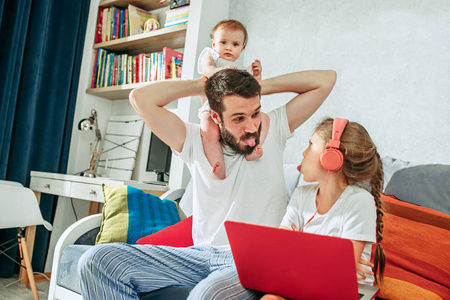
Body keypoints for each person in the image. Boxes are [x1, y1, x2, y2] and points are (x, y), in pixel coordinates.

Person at [79, 68, 337, 299]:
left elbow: (325, 80)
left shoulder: (275, 128)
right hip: (199, 255)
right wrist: (202, 84)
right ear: (215, 116)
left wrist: (261, 86)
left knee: (206, 295)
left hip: (253, 262)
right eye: (238, 118)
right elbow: (140, 98)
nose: (251, 127)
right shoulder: (194, 140)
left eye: (255, 113)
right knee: (96, 260)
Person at [261, 117, 386, 300]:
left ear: (331, 158)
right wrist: (326, 259)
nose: (303, 153)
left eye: (311, 145)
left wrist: (299, 247)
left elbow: (341, 274)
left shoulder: (359, 202)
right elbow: (280, 256)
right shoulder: (301, 195)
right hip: (304, 284)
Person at [198, 19, 269, 179]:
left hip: (238, 112)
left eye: (235, 44)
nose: (229, 47)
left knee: (264, 119)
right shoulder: (211, 56)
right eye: (223, 42)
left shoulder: (242, 69)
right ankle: (218, 163)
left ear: (242, 48)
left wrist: (257, 75)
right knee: (208, 132)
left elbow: (255, 90)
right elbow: (208, 70)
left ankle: (253, 148)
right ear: (213, 43)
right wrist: (220, 70)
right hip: (211, 107)